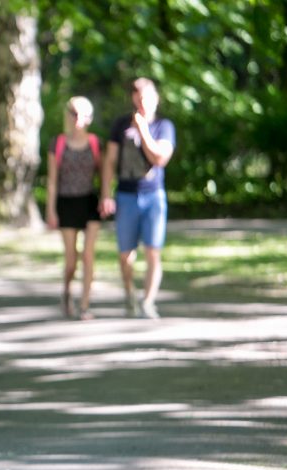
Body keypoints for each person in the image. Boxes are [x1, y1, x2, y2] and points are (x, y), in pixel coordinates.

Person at [99, 77, 176, 319]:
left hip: (153, 195)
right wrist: (105, 193)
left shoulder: (164, 126)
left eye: (146, 97)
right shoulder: (120, 124)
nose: (142, 101)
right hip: (126, 195)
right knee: (125, 254)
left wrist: (142, 129)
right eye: (137, 96)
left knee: (153, 251)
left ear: (155, 98)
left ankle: (149, 301)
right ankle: (130, 293)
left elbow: (159, 159)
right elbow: (110, 161)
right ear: (133, 98)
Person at [45, 96, 102, 320]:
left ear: (90, 118)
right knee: (71, 261)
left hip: (89, 201)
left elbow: (103, 174)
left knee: (88, 255)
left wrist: (106, 196)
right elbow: (51, 180)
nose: (79, 119)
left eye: (84, 114)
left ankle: (85, 306)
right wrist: (51, 210)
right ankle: (67, 292)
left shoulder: (96, 143)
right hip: (66, 202)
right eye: (74, 113)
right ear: (68, 115)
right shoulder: (57, 143)